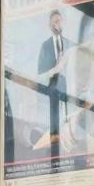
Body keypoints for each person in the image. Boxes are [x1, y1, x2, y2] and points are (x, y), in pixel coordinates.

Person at [36, 9, 71, 147]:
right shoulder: (45, 46)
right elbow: (40, 73)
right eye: (56, 21)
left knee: (69, 119)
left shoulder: (69, 43)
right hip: (52, 89)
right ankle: (55, 148)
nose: (59, 24)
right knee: (54, 120)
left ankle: (69, 144)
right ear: (50, 26)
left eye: (60, 20)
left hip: (69, 88)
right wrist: (54, 70)